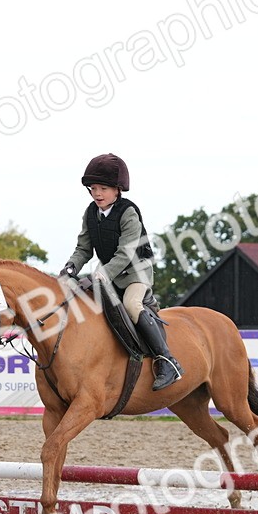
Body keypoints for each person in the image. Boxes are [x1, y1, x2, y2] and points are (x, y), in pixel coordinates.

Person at [59, 153, 182, 391]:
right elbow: (83, 248)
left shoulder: (128, 213)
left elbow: (126, 253)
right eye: (93, 188)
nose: (97, 193)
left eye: (103, 188)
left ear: (117, 189)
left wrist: (102, 273)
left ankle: (168, 361)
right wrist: (70, 267)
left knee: (131, 305)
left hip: (136, 273)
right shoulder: (90, 213)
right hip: (108, 274)